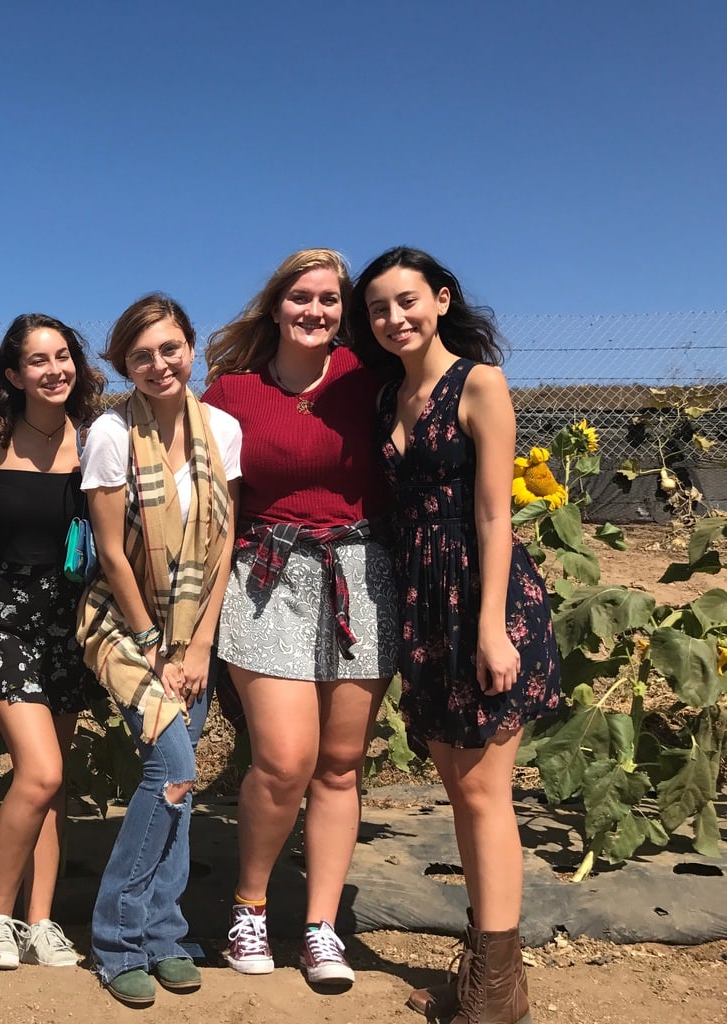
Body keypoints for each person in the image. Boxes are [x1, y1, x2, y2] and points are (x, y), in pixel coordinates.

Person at [349, 246, 560, 1024]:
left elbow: (494, 512)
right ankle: (485, 975)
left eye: (406, 301)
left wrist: (490, 626)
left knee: (482, 793)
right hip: (422, 600)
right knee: (460, 789)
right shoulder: (386, 397)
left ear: (440, 299)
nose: (393, 318)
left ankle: (495, 991)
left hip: (479, 597)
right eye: (377, 308)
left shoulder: (478, 383)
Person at [201, 249, 397, 988]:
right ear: (275, 306)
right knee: (282, 760)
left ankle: (320, 928)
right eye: (301, 297)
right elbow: (209, 497)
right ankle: (248, 907)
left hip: (359, 576)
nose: (315, 310)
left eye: (329, 300)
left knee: (340, 766)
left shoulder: (370, 383)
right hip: (266, 575)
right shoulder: (230, 393)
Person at [78, 294, 241, 1008]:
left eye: (169, 348)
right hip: (123, 623)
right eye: (141, 354)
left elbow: (225, 540)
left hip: (193, 632)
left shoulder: (223, 430)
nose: (158, 364)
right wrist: (153, 645)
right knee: (171, 768)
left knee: (179, 788)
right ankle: (116, 938)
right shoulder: (111, 434)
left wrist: (199, 643)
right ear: (125, 364)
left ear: (191, 348)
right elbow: (111, 551)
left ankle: (166, 935)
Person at [0, 313, 105, 970]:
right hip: (2, 613)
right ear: (14, 375)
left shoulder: (97, 439)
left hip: (71, 619)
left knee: (53, 779)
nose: (54, 369)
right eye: (38, 361)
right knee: (39, 770)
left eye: (63, 356)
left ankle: (41, 921)